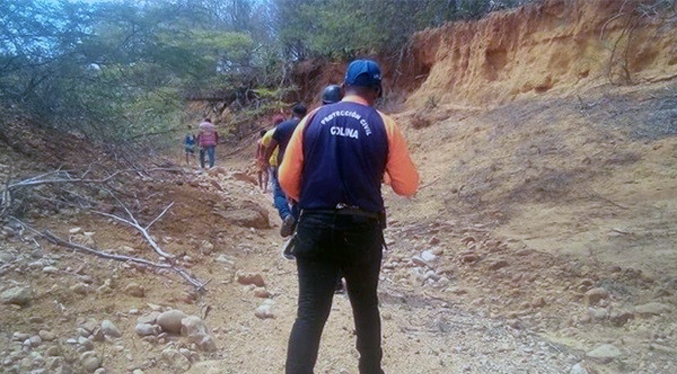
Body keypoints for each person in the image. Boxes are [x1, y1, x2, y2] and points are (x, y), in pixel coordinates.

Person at [279, 59, 419, 374]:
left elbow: (287, 179)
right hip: (362, 229)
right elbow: (408, 186)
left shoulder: (313, 118)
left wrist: (316, 201)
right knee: (365, 304)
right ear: (377, 91)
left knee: (310, 313)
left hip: (316, 226)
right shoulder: (385, 124)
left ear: (344, 87)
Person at [263, 104, 307, 237]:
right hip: (304, 167)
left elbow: (270, 147)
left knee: (279, 194)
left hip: (284, 165)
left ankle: (286, 215)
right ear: (305, 113)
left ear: (292, 113)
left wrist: (265, 162)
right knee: (298, 196)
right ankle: (295, 224)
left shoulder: (282, 127)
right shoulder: (308, 126)